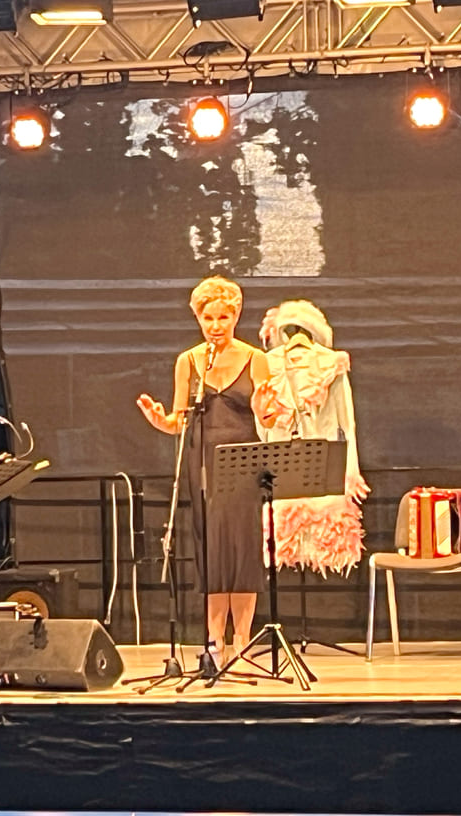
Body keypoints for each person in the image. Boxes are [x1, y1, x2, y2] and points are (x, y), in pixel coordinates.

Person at [136, 276, 278, 662]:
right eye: (208, 317)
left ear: (236, 316)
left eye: (224, 317)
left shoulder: (256, 359)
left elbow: (266, 415)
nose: (216, 325)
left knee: (242, 552)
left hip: (244, 464)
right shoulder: (188, 361)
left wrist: (266, 405)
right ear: (198, 318)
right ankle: (215, 642)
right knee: (212, 552)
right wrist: (159, 421)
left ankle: (243, 641)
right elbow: (179, 422)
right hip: (202, 465)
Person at [256, 300, 370, 575]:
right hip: (282, 466)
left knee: (326, 536)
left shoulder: (333, 364)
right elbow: (263, 428)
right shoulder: (266, 365)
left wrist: (350, 472)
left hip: (323, 463)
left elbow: (348, 423)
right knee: (285, 539)